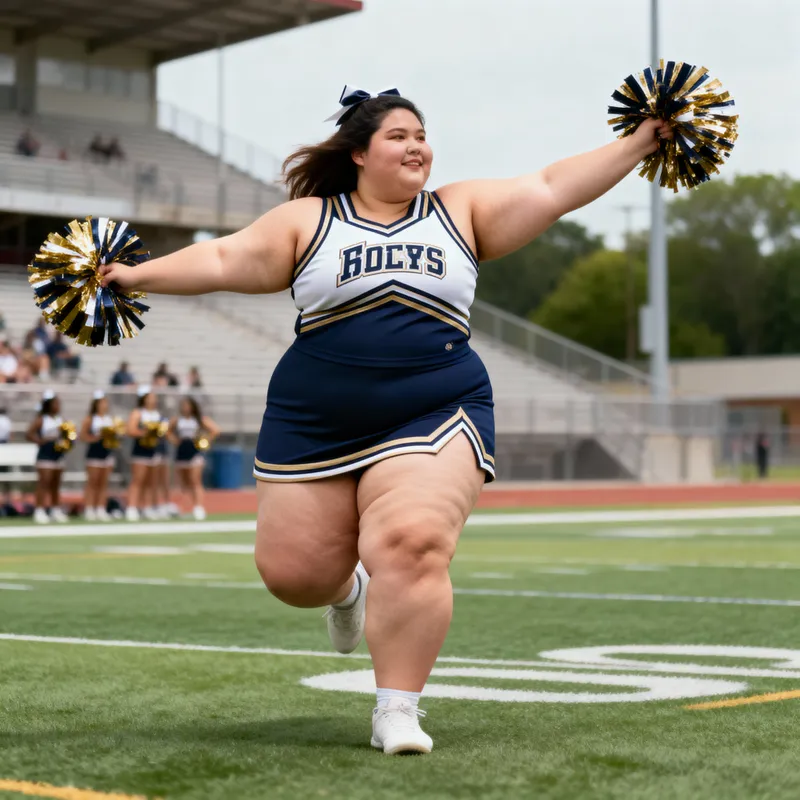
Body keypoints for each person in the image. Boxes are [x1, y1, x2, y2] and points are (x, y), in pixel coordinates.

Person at [100, 86, 671, 753]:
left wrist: (638, 142)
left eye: (422, 135)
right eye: (399, 135)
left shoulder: (460, 210)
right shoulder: (309, 221)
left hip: (435, 406)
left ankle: (397, 708)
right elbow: (224, 258)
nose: (416, 146)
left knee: (413, 541)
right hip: (315, 416)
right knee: (294, 575)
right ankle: (348, 593)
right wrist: (135, 277)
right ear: (360, 153)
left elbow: (549, 186)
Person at [169, 396, 219, 520]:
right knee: (183, 482)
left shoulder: (199, 420)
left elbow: (215, 430)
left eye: (188, 405)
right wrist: (174, 440)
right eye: (183, 405)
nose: (185, 408)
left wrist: (205, 440)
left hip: (194, 451)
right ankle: (185, 506)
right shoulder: (177, 420)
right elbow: (167, 431)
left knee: (195, 480)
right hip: (182, 450)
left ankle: (199, 506)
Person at [25, 391, 70, 524]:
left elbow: (68, 435)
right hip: (45, 455)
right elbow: (29, 434)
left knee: (56, 484)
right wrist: (40, 441)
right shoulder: (42, 419)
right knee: (43, 483)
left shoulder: (60, 420)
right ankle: (39, 510)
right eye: (55, 403)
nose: (58, 406)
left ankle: (55, 509)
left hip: (58, 454)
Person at [125, 385, 164, 522]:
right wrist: (145, 433)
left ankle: (147, 507)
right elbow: (130, 430)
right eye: (150, 397)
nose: (153, 400)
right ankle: (132, 507)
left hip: (154, 450)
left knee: (151, 482)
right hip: (140, 450)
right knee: (138, 480)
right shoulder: (138, 413)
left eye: (154, 397)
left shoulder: (157, 414)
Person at [80, 391, 117, 521]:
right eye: (101, 403)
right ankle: (89, 508)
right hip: (94, 453)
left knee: (104, 483)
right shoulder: (90, 419)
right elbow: (82, 436)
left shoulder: (110, 419)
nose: (103, 405)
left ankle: (101, 508)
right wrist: (95, 438)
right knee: (92, 482)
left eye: (105, 402)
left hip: (107, 453)